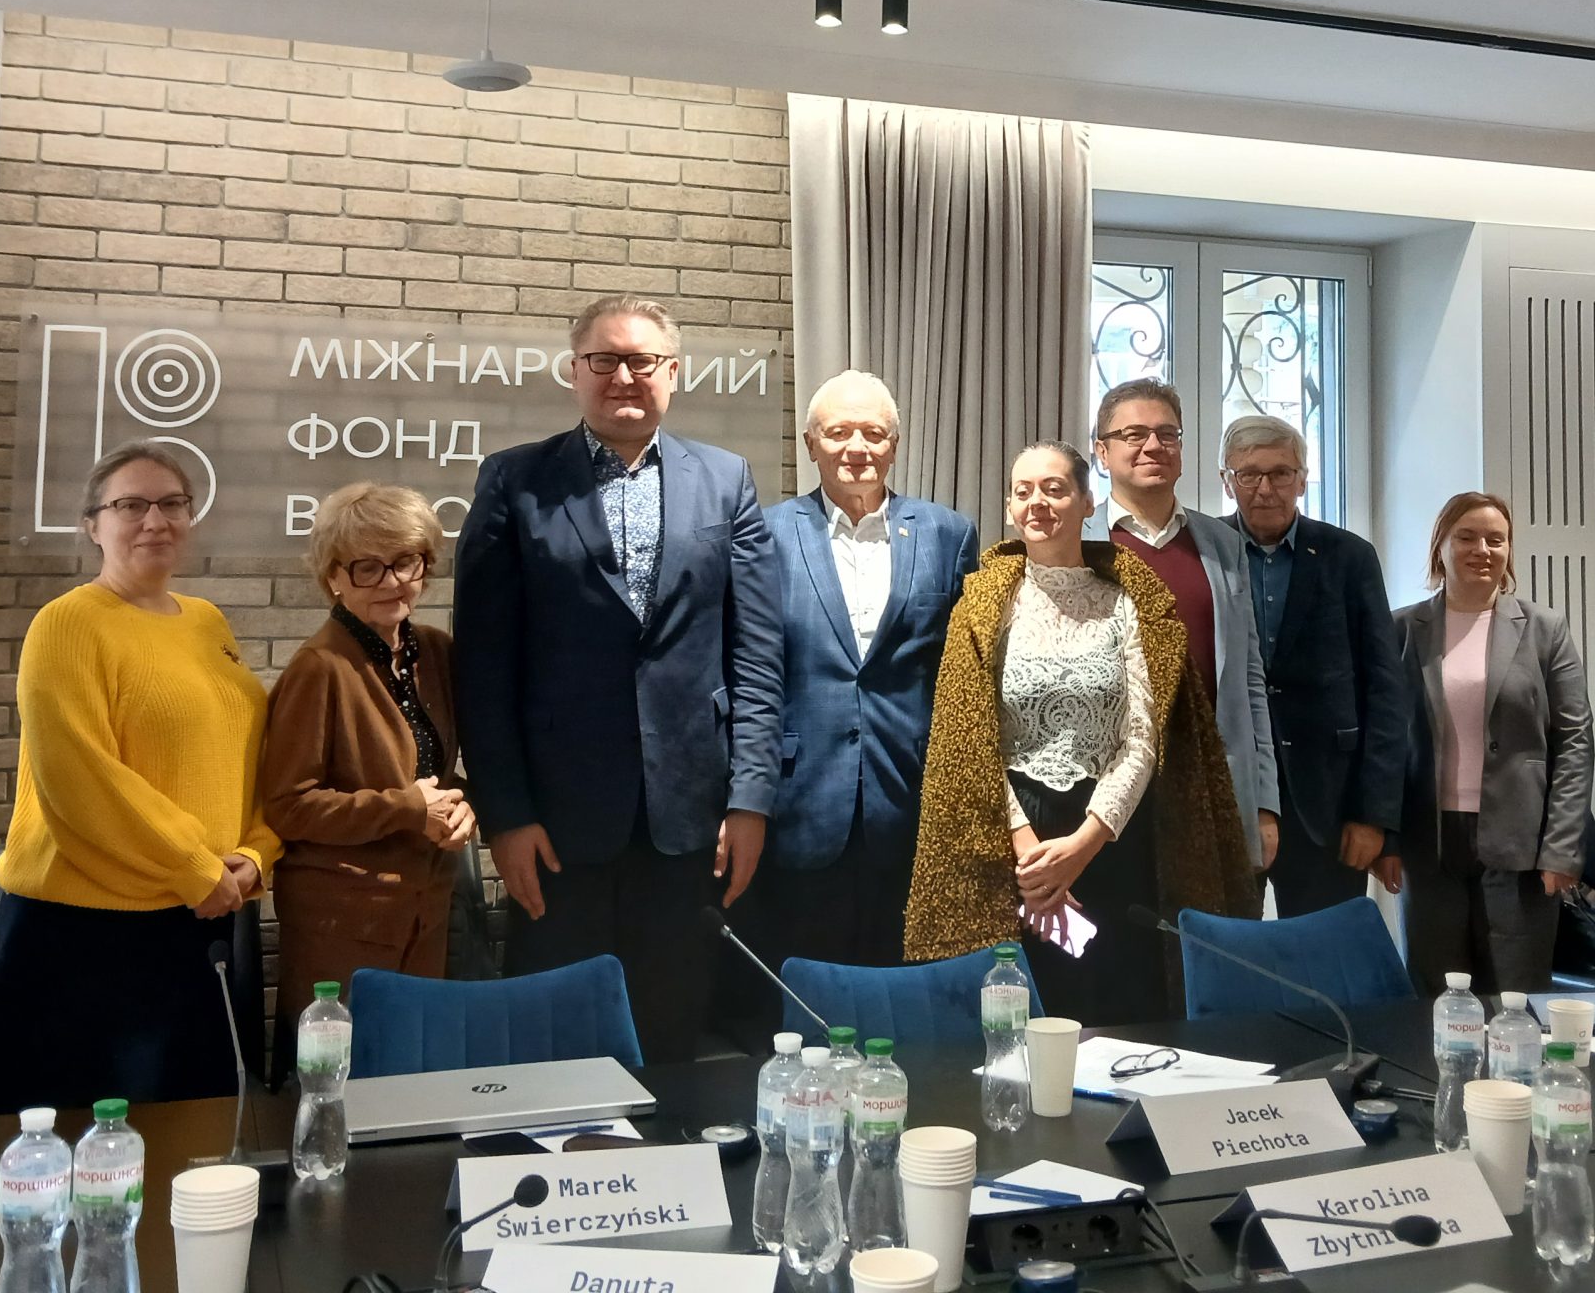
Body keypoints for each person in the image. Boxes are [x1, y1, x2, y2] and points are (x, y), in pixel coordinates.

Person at [454, 296, 783, 1062]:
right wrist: (505, 815)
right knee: (556, 1044)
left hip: (689, 823)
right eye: (604, 360)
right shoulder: (515, 481)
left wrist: (751, 798)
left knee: (670, 1041)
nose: (623, 376)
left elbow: (757, 656)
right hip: (557, 827)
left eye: (642, 361)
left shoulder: (726, 480)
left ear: (674, 372)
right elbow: (483, 663)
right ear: (575, 372)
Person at [904, 442, 1257, 1025]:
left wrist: (1084, 845)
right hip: (1010, 839)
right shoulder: (983, 606)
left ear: (1088, 502)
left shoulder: (1130, 601)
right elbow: (969, 742)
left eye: (1055, 489)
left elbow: (1143, 738)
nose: (1037, 503)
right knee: (1024, 1015)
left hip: (1113, 838)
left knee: (1121, 1010)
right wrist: (1033, 860)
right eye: (1023, 492)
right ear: (1010, 507)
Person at [0, 443, 282, 1110]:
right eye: (131, 505)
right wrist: (193, 868)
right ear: (93, 524)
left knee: (193, 1133)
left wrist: (256, 853)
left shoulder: (207, 622)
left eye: (172, 504)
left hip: (197, 918)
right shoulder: (67, 624)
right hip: (85, 937)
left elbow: (245, 757)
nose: (155, 520)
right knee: (86, 1147)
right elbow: (80, 779)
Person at [755, 371, 978, 974]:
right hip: (798, 798)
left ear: (895, 445)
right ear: (811, 444)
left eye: (874, 433)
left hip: (910, 796)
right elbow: (746, 668)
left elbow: (962, 676)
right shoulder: (765, 533)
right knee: (806, 987)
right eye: (839, 433)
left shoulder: (948, 534)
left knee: (905, 987)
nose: (857, 447)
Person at [258, 483, 472, 1043]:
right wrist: (408, 810)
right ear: (333, 577)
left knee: (414, 1071)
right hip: (343, 923)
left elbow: (435, 776)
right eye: (367, 568)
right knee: (345, 1079)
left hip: (424, 909)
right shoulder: (318, 667)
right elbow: (288, 806)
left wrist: (464, 808)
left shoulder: (435, 651)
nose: (392, 581)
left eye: (406, 562)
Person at [1385, 492, 1592, 993]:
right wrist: (1385, 839)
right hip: (1429, 843)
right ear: (1440, 547)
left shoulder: (1545, 629)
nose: (1482, 550)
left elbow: (1574, 741)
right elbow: (1384, 743)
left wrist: (1562, 849)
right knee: (1437, 996)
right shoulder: (1402, 629)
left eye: (1496, 540)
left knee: (1515, 996)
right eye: (1467, 538)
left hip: (1523, 846)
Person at [1215, 414, 1411, 917]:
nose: (1265, 488)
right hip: (1229, 796)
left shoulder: (1350, 557)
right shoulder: (1205, 552)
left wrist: (1374, 815)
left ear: (1303, 480)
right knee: (1225, 948)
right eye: (1248, 474)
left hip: (1331, 804)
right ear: (1227, 481)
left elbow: (1386, 692)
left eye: (1281, 473)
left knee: (1326, 953)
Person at [1086, 379, 1278, 877]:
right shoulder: (1078, 543)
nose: (1153, 446)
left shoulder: (1222, 544)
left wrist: (1264, 801)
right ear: (1102, 452)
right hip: (1104, 790)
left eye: (1167, 434)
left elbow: (1249, 679)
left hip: (1212, 784)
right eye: (1134, 434)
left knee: (1211, 923)